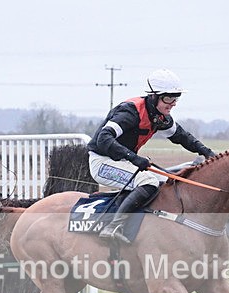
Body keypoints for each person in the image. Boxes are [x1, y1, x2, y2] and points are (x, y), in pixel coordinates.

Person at [87, 68, 216, 244]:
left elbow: (183, 137)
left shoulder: (160, 117)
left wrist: (207, 152)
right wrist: (133, 157)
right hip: (102, 163)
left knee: (167, 183)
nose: (173, 103)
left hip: (123, 162)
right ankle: (113, 226)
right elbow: (103, 138)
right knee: (148, 182)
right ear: (154, 96)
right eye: (168, 98)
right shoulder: (130, 112)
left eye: (175, 98)